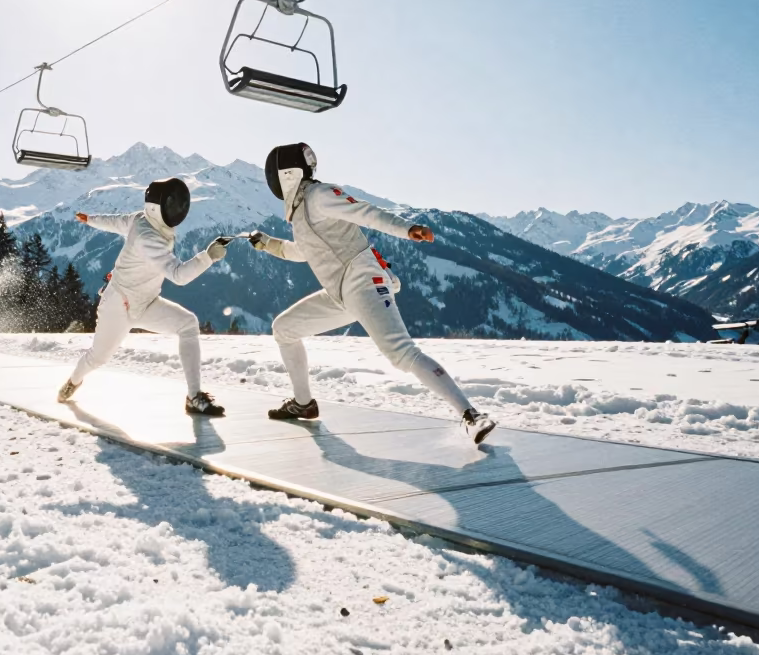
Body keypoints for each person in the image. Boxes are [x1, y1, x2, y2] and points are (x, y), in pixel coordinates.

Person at [248, 144, 495, 444]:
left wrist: (407, 229)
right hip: (339, 293)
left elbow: (364, 212)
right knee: (284, 329)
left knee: (402, 353)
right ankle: (304, 403)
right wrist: (267, 244)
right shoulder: (301, 212)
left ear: (284, 174)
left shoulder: (319, 195)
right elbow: (303, 251)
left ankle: (471, 415)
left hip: (363, 280)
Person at [57, 177, 228, 415]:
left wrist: (91, 219)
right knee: (98, 358)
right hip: (119, 305)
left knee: (188, 324)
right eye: (173, 204)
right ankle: (73, 381)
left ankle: (193, 396)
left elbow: (116, 222)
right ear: (159, 209)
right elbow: (178, 275)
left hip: (147, 303)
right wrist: (207, 257)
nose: (178, 209)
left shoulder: (141, 219)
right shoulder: (149, 238)